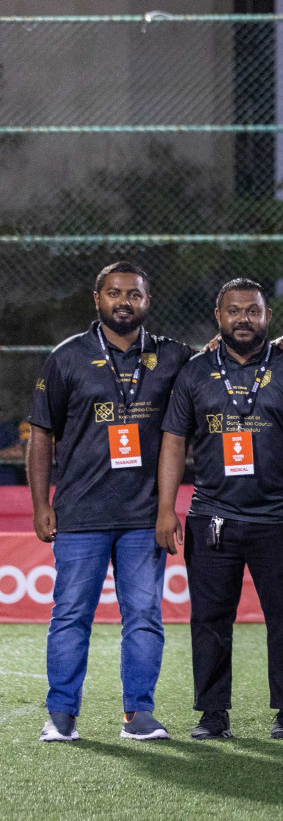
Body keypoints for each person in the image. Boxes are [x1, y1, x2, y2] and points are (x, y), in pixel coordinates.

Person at [156, 278, 283, 741]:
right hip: (211, 516)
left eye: (252, 311)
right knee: (210, 620)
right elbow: (173, 443)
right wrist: (166, 509)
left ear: (267, 316)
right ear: (219, 317)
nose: (243, 319)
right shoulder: (194, 371)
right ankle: (212, 713)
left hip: (278, 518)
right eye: (234, 311)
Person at [29, 262, 192, 742]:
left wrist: (282, 347)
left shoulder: (173, 357)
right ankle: (61, 715)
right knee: (71, 615)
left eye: (135, 294)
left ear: (147, 301)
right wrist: (42, 504)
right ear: (97, 298)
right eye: (115, 293)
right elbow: (41, 434)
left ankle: (138, 714)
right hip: (80, 516)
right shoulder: (67, 358)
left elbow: (224, 359)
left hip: (145, 517)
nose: (125, 301)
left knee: (144, 617)